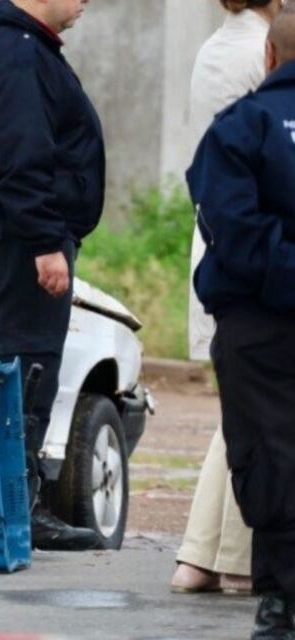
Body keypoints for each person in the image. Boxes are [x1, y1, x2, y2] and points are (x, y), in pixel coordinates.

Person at [0, 0, 105, 551]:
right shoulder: (17, 54)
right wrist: (43, 242)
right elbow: (23, 155)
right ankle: (18, 509)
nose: (86, 0)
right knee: (22, 373)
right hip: (13, 240)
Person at [188, 5, 295, 636]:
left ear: (270, 57)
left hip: (258, 322)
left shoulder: (239, 128)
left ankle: (280, 600)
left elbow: (231, 229)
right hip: (260, 316)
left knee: (268, 454)